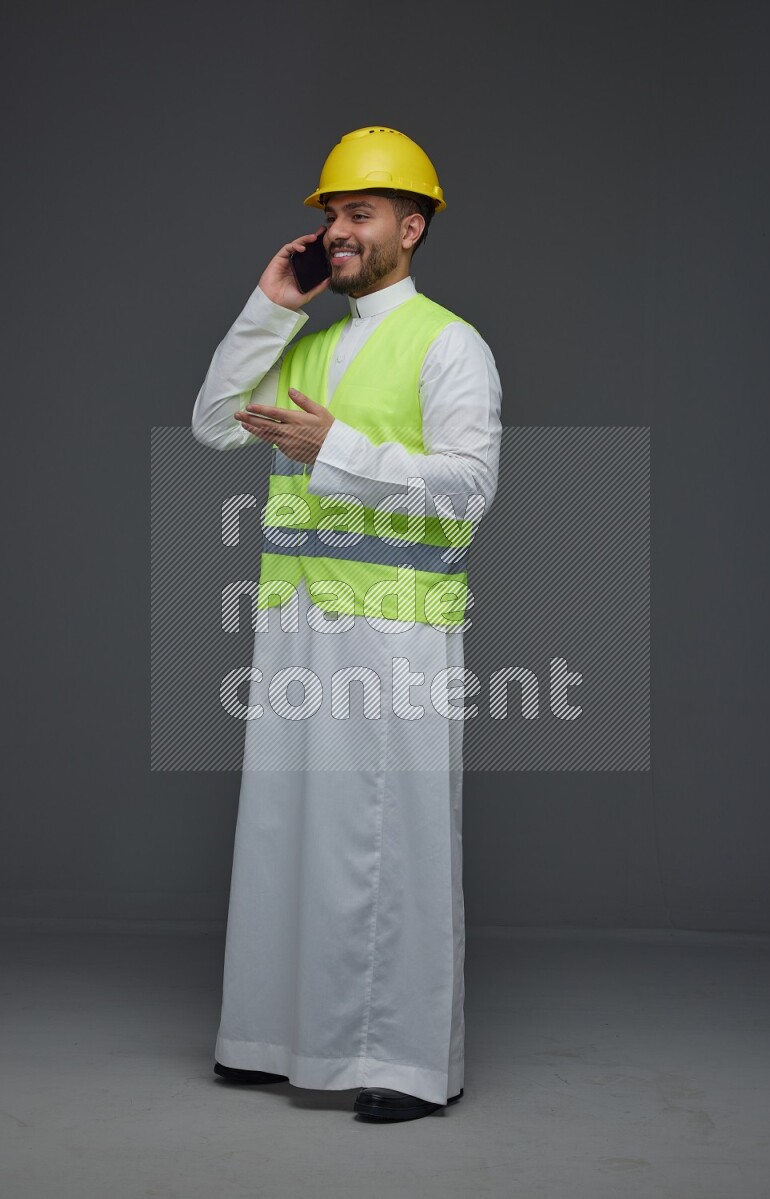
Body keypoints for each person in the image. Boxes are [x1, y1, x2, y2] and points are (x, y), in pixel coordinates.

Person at [191, 126, 503, 1122]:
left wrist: (341, 447)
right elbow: (209, 423)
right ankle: (270, 1037)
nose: (335, 230)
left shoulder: (448, 342)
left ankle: (405, 1061)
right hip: (296, 624)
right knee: (288, 832)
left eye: (358, 213)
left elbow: (469, 490)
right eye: (329, 214)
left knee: (388, 842)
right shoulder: (310, 344)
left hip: (397, 631)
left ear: (411, 227)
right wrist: (266, 308)